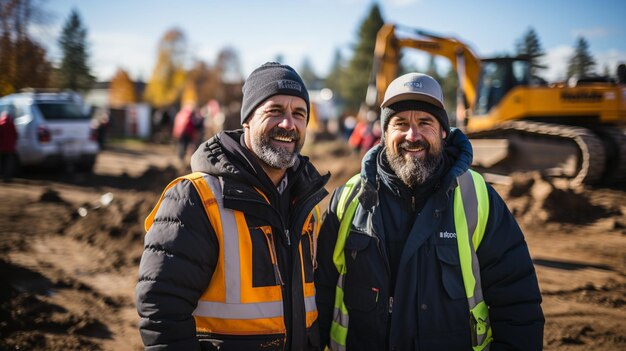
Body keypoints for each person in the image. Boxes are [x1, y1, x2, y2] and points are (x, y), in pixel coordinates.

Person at [315, 73, 544, 350]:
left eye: (425, 122)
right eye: (400, 123)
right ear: (384, 133)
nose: (413, 135)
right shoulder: (348, 200)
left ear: (444, 132)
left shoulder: (477, 198)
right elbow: (320, 295)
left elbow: (517, 302)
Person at [136, 62, 330, 350]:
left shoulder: (306, 207)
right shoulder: (197, 198)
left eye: (298, 114)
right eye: (275, 110)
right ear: (247, 120)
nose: (288, 124)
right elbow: (160, 310)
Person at [0, 111, 18, 182]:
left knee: (2, 163)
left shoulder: (1, 125)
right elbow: (16, 135)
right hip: (10, 148)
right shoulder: (12, 125)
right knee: (8, 164)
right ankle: (7, 177)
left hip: (1, 147)